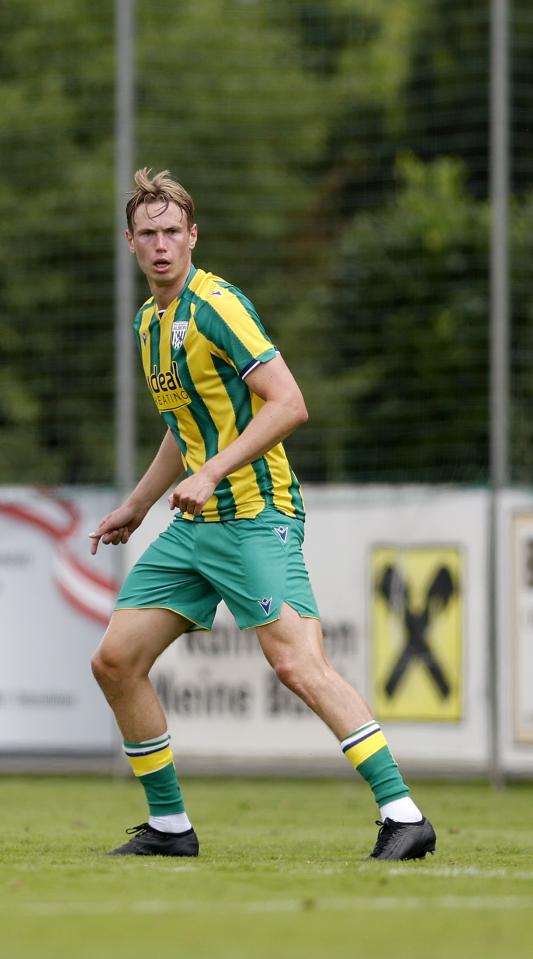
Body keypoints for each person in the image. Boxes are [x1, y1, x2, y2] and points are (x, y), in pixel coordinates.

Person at [87, 168, 436, 861]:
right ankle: (169, 827)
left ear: (193, 236)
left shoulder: (217, 306)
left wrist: (213, 470)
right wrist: (137, 504)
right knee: (116, 661)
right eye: (148, 234)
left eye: (172, 232)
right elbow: (184, 427)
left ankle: (404, 814)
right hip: (195, 528)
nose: (161, 245)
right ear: (130, 243)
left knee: (299, 665)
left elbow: (290, 402)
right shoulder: (149, 323)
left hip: (255, 514)